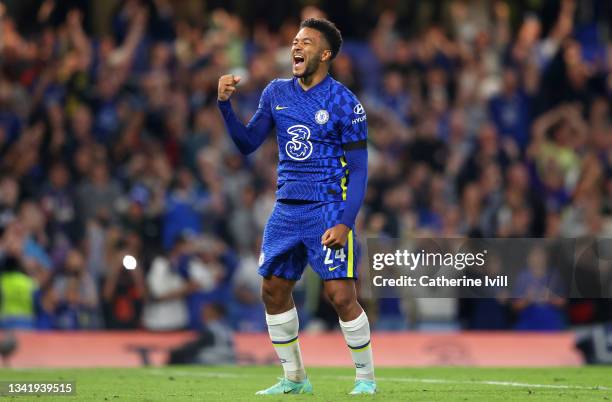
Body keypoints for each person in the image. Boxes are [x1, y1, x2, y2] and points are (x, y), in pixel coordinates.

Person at [217, 18, 375, 395]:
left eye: (305, 42)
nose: (296, 47)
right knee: (272, 289)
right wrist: (224, 105)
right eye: (294, 41)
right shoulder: (275, 92)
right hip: (286, 208)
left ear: (325, 54)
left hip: (327, 207)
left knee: (340, 295)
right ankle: (295, 377)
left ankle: (366, 379)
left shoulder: (345, 103)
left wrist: (346, 222)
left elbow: (359, 170)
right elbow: (247, 143)